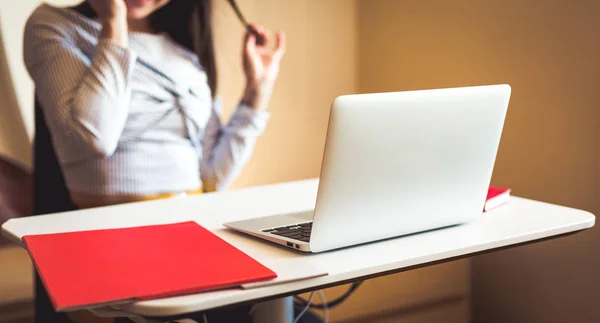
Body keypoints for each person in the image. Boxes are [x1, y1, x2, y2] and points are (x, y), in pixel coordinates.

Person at [23, 0, 285, 322]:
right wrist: (113, 23)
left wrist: (257, 92)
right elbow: (94, 137)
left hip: (194, 234)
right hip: (114, 244)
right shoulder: (54, 25)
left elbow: (211, 177)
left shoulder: (182, 49)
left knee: (282, 305)